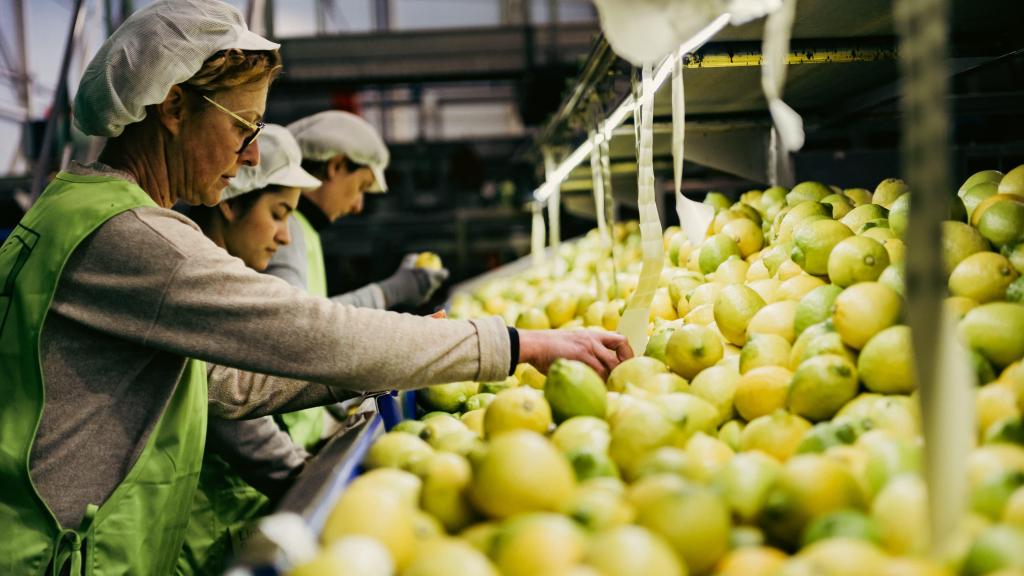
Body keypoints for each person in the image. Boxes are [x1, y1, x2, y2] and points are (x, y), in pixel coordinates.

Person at [0, 1, 631, 574]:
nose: (251, 156)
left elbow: (227, 384)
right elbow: (306, 332)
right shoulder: (133, 237)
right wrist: (513, 345)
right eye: (243, 128)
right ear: (172, 108)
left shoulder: (78, 211)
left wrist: (410, 356)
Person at [179, 124, 320, 574]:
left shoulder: (228, 279)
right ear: (232, 203)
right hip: (188, 540)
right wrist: (311, 477)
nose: (285, 239)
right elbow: (229, 407)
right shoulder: (193, 283)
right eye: (278, 214)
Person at [267, 110, 447, 312]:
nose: (358, 206)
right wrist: (389, 292)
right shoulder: (286, 229)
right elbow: (299, 318)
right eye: (361, 186)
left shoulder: (304, 228)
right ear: (336, 166)